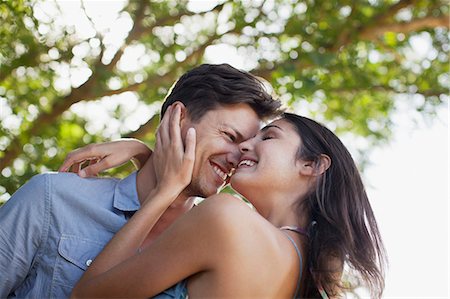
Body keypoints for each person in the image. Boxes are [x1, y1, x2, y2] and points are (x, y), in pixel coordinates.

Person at [0, 63, 281, 298]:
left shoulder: (215, 249)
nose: (237, 157)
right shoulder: (54, 199)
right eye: (231, 137)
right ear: (178, 118)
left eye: (247, 148)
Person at [70, 110, 386, 298]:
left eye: (269, 137)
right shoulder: (307, 277)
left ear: (313, 166)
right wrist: (144, 155)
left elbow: (86, 297)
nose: (244, 147)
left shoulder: (227, 218)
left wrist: (165, 189)